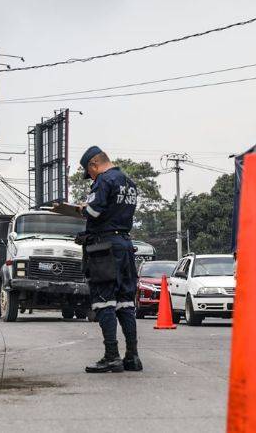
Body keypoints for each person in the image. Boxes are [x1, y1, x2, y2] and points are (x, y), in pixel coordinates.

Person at [75, 146, 142, 373]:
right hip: (125, 245)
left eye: (89, 172)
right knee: (126, 303)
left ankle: (111, 356)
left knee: (104, 301)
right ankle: (132, 357)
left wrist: (82, 208)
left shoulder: (104, 180)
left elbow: (94, 212)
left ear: (94, 165)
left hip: (104, 249)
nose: (90, 177)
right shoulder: (129, 182)